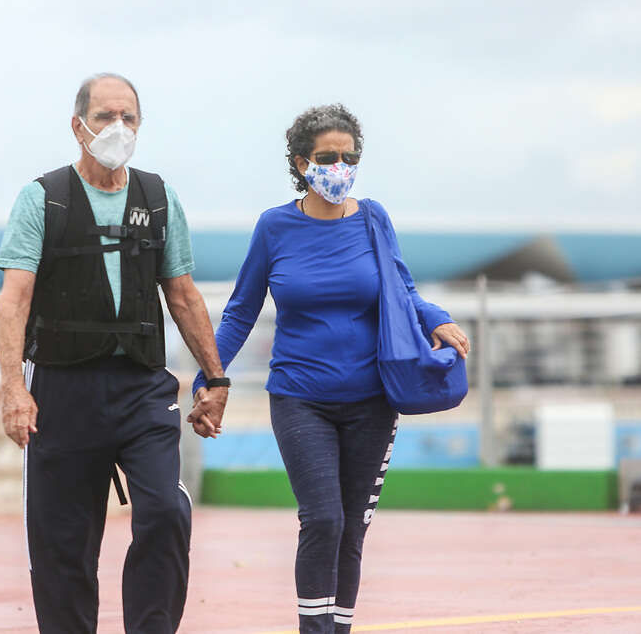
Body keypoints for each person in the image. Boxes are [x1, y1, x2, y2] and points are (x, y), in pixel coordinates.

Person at [188, 103, 470, 633]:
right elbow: (242, 311)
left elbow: (401, 286)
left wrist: (436, 318)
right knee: (323, 519)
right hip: (300, 397)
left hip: (373, 399)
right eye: (326, 157)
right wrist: (209, 375)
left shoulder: (373, 218)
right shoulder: (274, 227)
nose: (338, 167)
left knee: (352, 529)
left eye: (348, 157)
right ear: (300, 163)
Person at [0, 73, 228, 633]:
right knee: (63, 546)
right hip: (61, 388)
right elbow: (14, 301)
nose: (117, 127)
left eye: (128, 117)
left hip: (140, 388)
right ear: (78, 126)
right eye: (105, 116)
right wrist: (13, 390)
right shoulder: (42, 198)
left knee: (168, 512)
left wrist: (215, 380)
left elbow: (183, 294)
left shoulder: (158, 196)